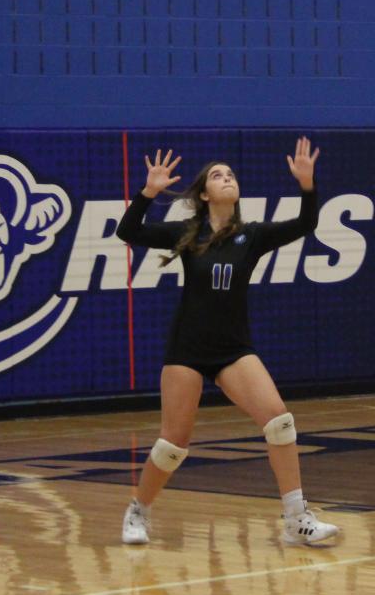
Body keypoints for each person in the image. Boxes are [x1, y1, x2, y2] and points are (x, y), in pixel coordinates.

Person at [114, 136, 340, 547]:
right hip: (188, 348)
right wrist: (148, 192)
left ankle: (296, 518)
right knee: (173, 444)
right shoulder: (187, 232)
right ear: (204, 193)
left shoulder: (251, 236)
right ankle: (138, 512)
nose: (227, 179)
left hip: (234, 348)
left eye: (231, 175)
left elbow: (305, 224)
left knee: (279, 422)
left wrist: (307, 185)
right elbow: (127, 231)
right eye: (218, 176)